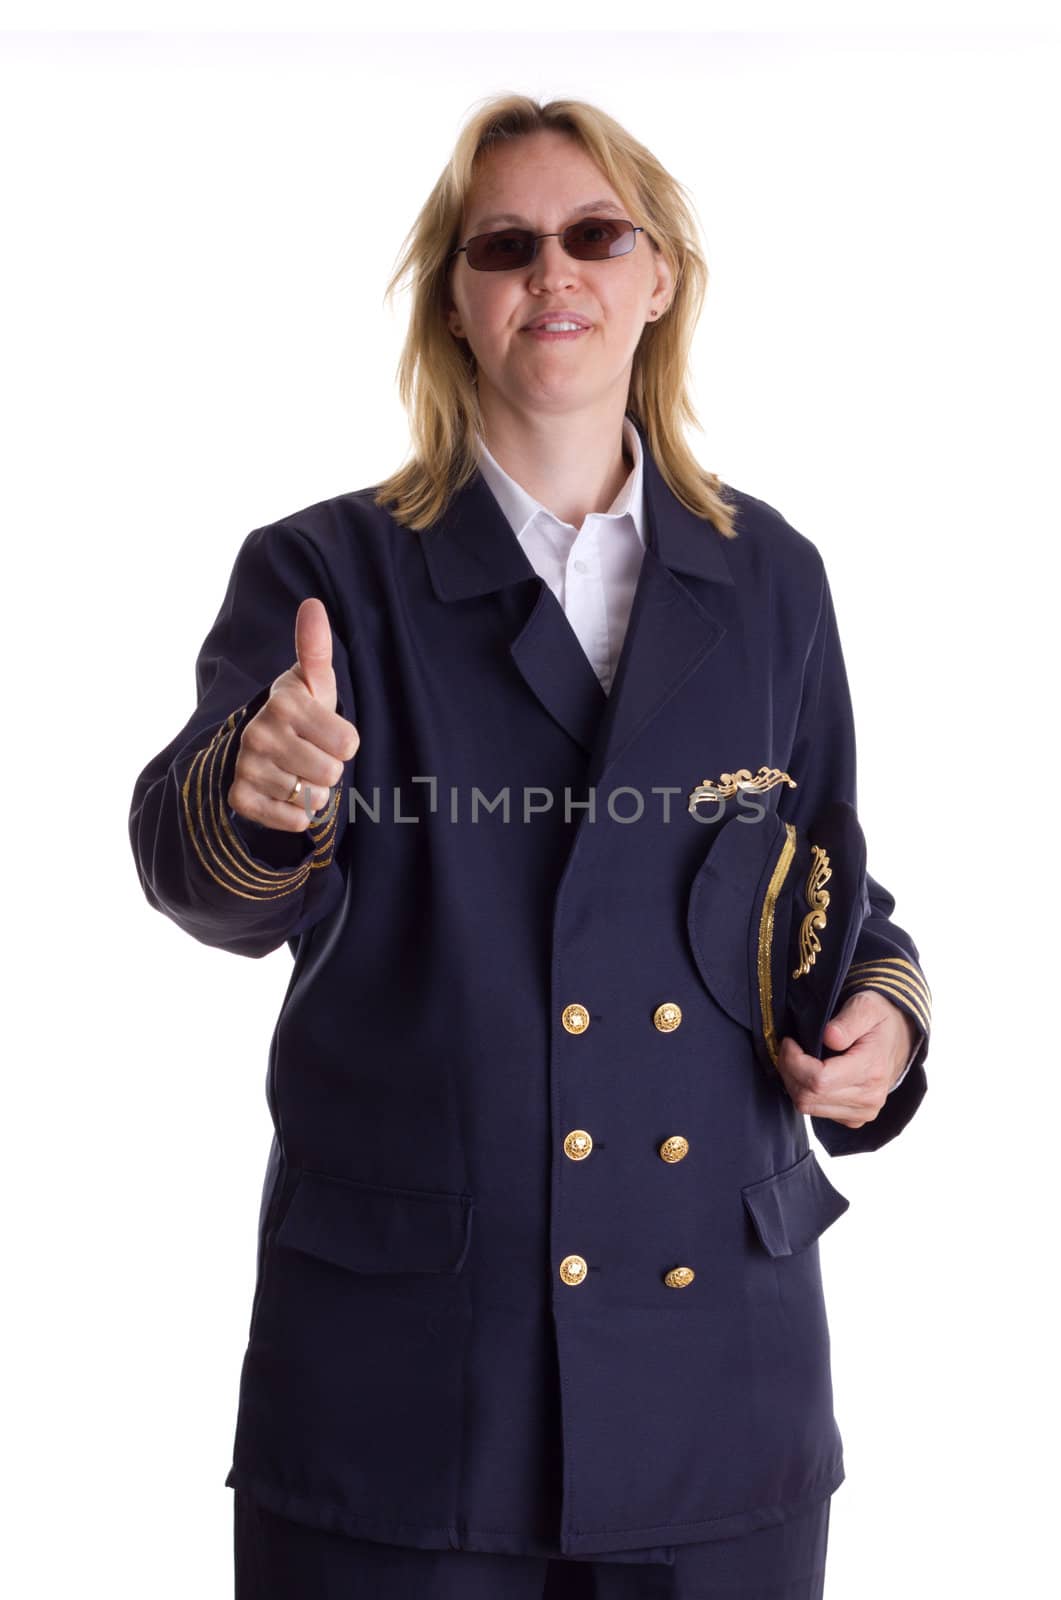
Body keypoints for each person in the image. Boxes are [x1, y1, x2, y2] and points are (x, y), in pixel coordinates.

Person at [128, 94, 931, 1600]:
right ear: (455, 296)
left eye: (591, 234)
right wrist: (261, 788)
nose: (548, 271)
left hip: (717, 1384)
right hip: (414, 1385)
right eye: (502, 245)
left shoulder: (770, 577)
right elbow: (199, 874)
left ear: (657, 275)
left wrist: (880, 1016)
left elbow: (831, 889)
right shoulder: (324, 571)